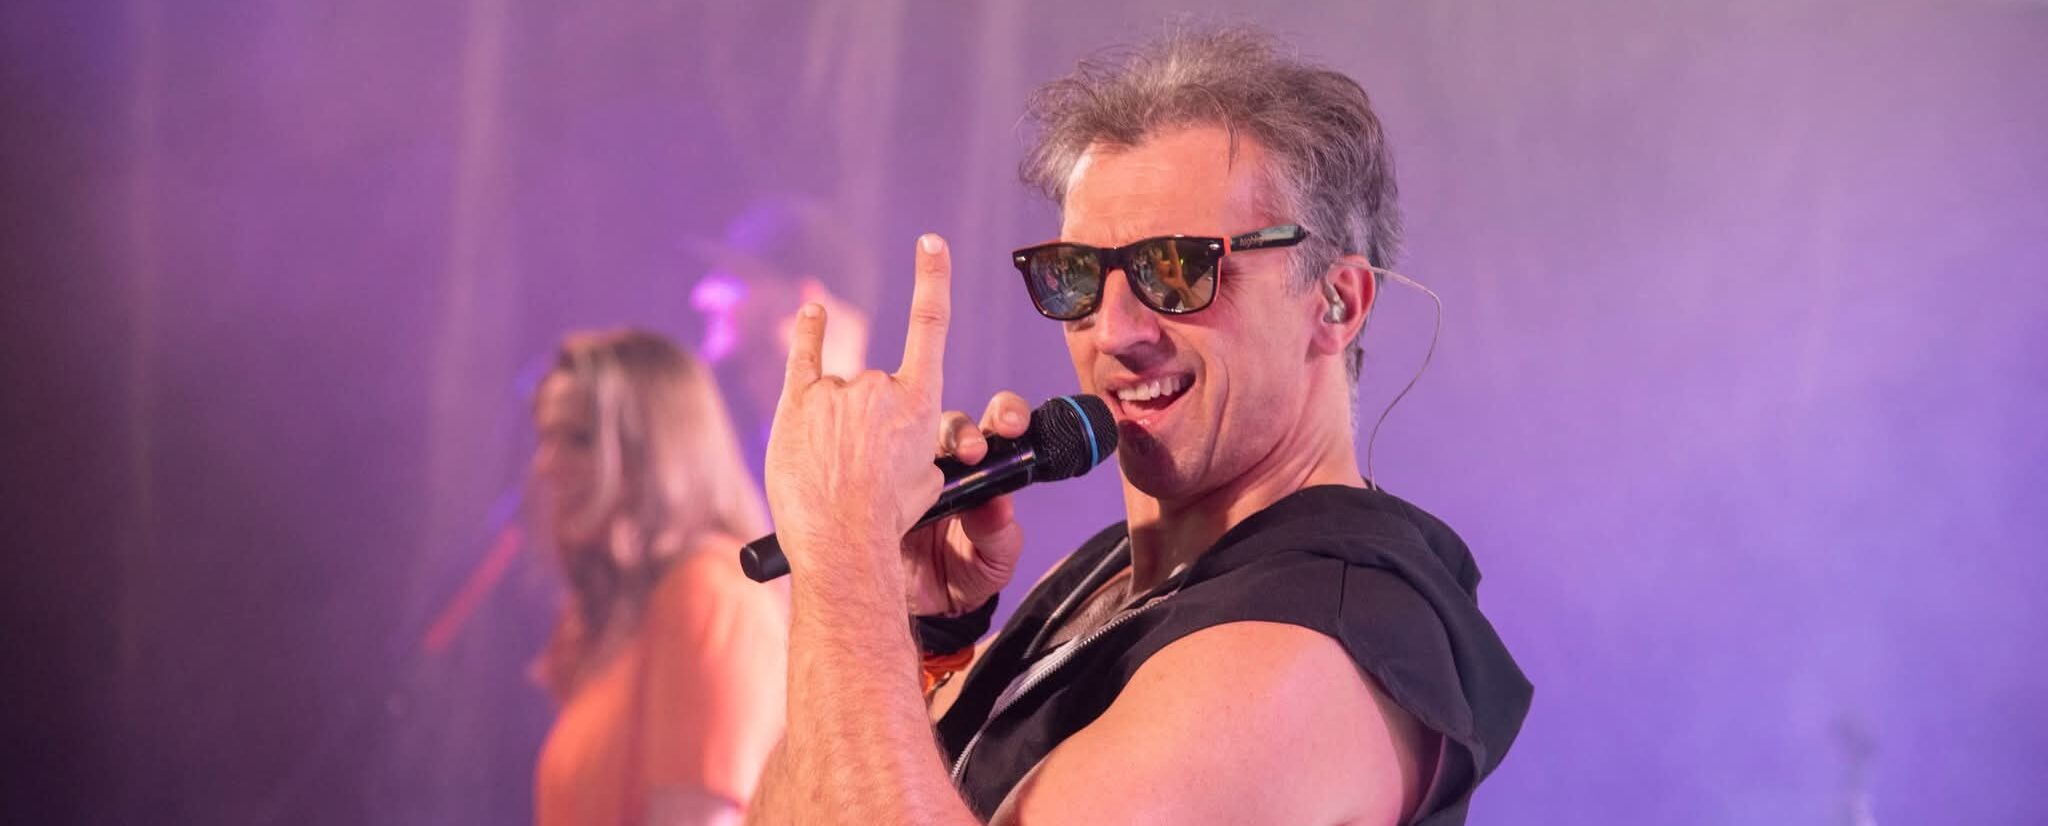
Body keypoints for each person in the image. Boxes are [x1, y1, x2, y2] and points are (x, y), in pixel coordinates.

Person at [747, 25, 1530, 826]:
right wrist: (917, 632)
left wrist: (845, 566)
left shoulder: (1312, 646)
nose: (1113, 332)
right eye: (1076, 276)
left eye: (1176, 270)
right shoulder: (1112, 577)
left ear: (1336, 302)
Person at [528, 329, 786, 826]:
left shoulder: (709, 593)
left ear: (658, 450)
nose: (547, 465)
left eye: (579, 439)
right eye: (546, 438)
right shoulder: (632, 611)